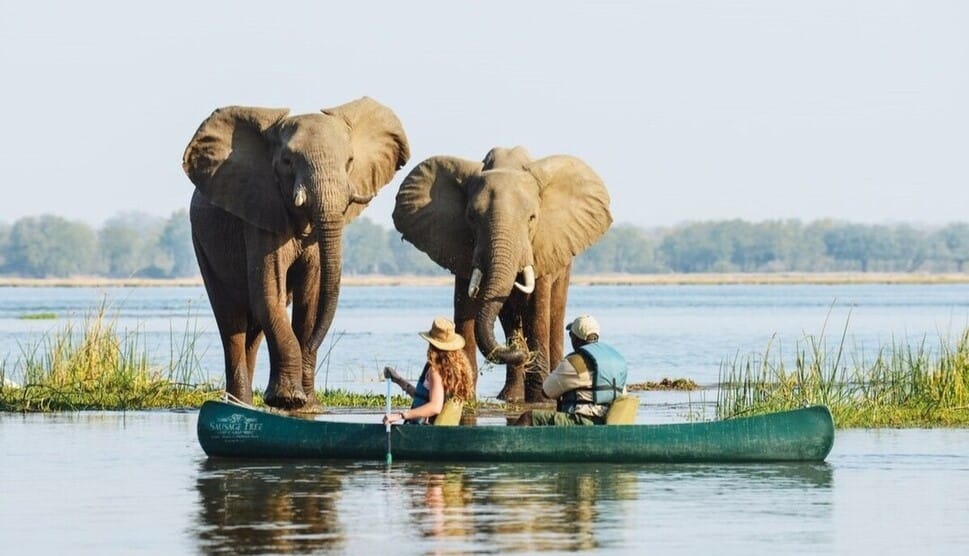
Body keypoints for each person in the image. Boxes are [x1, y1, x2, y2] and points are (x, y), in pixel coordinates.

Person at [514, 315, 628, 426]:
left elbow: (547, 391)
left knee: (527, 417)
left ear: (576, 339)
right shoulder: (614, 360)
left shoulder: (574, 362)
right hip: (609, 421)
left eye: (570, 335)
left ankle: (510, 445)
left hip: (581, 422)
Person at [383, 317, 475, 425]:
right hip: (447, 431)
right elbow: (424, 397)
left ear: (432, 343)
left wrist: (400, 415)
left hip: (426, 432)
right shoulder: (457, 369)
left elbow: (435, 407)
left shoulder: (435, 370)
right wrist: (399, 381)